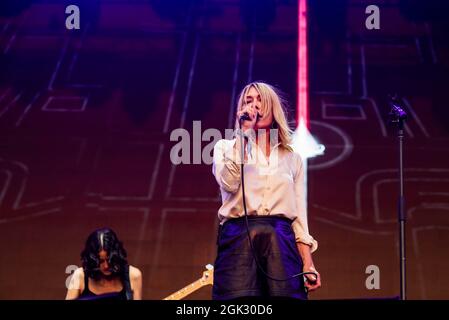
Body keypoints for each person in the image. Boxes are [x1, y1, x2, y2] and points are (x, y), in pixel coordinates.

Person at [212, 82, 321, 300]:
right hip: (238, 238)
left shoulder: (292, 158)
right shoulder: (225, 147)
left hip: (281, 240)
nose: (255, 106)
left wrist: (308, 262)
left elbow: (299, 215)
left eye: (260, 100)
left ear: (273, 108)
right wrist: (243, 135)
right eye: (248, 101)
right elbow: (229, 183)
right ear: (240, 111)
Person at [65, 227, 142, 300]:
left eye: (110, 260)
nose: (106, 266)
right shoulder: (79, 276)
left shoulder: (133, 275)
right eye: (100, 261)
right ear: (92, 260)